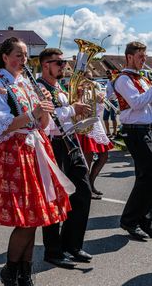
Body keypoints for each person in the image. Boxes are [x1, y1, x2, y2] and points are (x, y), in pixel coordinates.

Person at [0, 37, 73, 286]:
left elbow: (43, 125)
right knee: (25, 220)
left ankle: (25, 276)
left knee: (35, 217)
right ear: (5, 57)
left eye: (25, 55)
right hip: (13, 155)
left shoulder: (27, 84)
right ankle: (10, 273)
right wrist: (32, 114)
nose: (23, 60)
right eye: (18, 55)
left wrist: (44, 109)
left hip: (34, 151)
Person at [37, 48, 93, 265]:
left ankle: (73, 245)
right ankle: (53, 251)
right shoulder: (39, 89)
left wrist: (80, 114)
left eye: (63, 62)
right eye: (58, 63)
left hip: (70, 143)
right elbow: (47, 121)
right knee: (56, 199)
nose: (63, 66)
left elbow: (66, 114)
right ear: (45, 65)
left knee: (83, 193)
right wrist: (71, 110)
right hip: (53, 146)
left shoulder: (59, 88)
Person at [114, 41, 152, 241]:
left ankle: (144, 220)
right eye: (140, 57)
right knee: (148, 175)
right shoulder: (123, 79)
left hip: (145, 129)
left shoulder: (142, 79)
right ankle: (130, 220)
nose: (143, 60)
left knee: (145, 176)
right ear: (129, 57)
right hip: (134, 131)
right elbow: (136, 103)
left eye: (144, 57)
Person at [77, 70, 114, 200]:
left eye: (92, 79)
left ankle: (91, 184)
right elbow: (83, 112)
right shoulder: (78, 93)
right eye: (88, 78)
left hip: (96, 126)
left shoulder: (92, 91)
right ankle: (85, 189)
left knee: (104, 156)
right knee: (88, 159)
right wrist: (94, 100)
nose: (91, 82)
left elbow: (97, 112)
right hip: (86, 126)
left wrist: (99, 102)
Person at [103, 70, 118, 137]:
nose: (108, 75)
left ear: (112, 73)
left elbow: (117, 92)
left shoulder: (114, 81)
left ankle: (115, 132)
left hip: (113, 101)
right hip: (107, 102)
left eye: (109, 73)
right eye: (107, 74)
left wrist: (112, 98)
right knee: (105, 117)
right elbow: (107, 92)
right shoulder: (108, 81)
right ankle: (108, 132)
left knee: (113, 118)